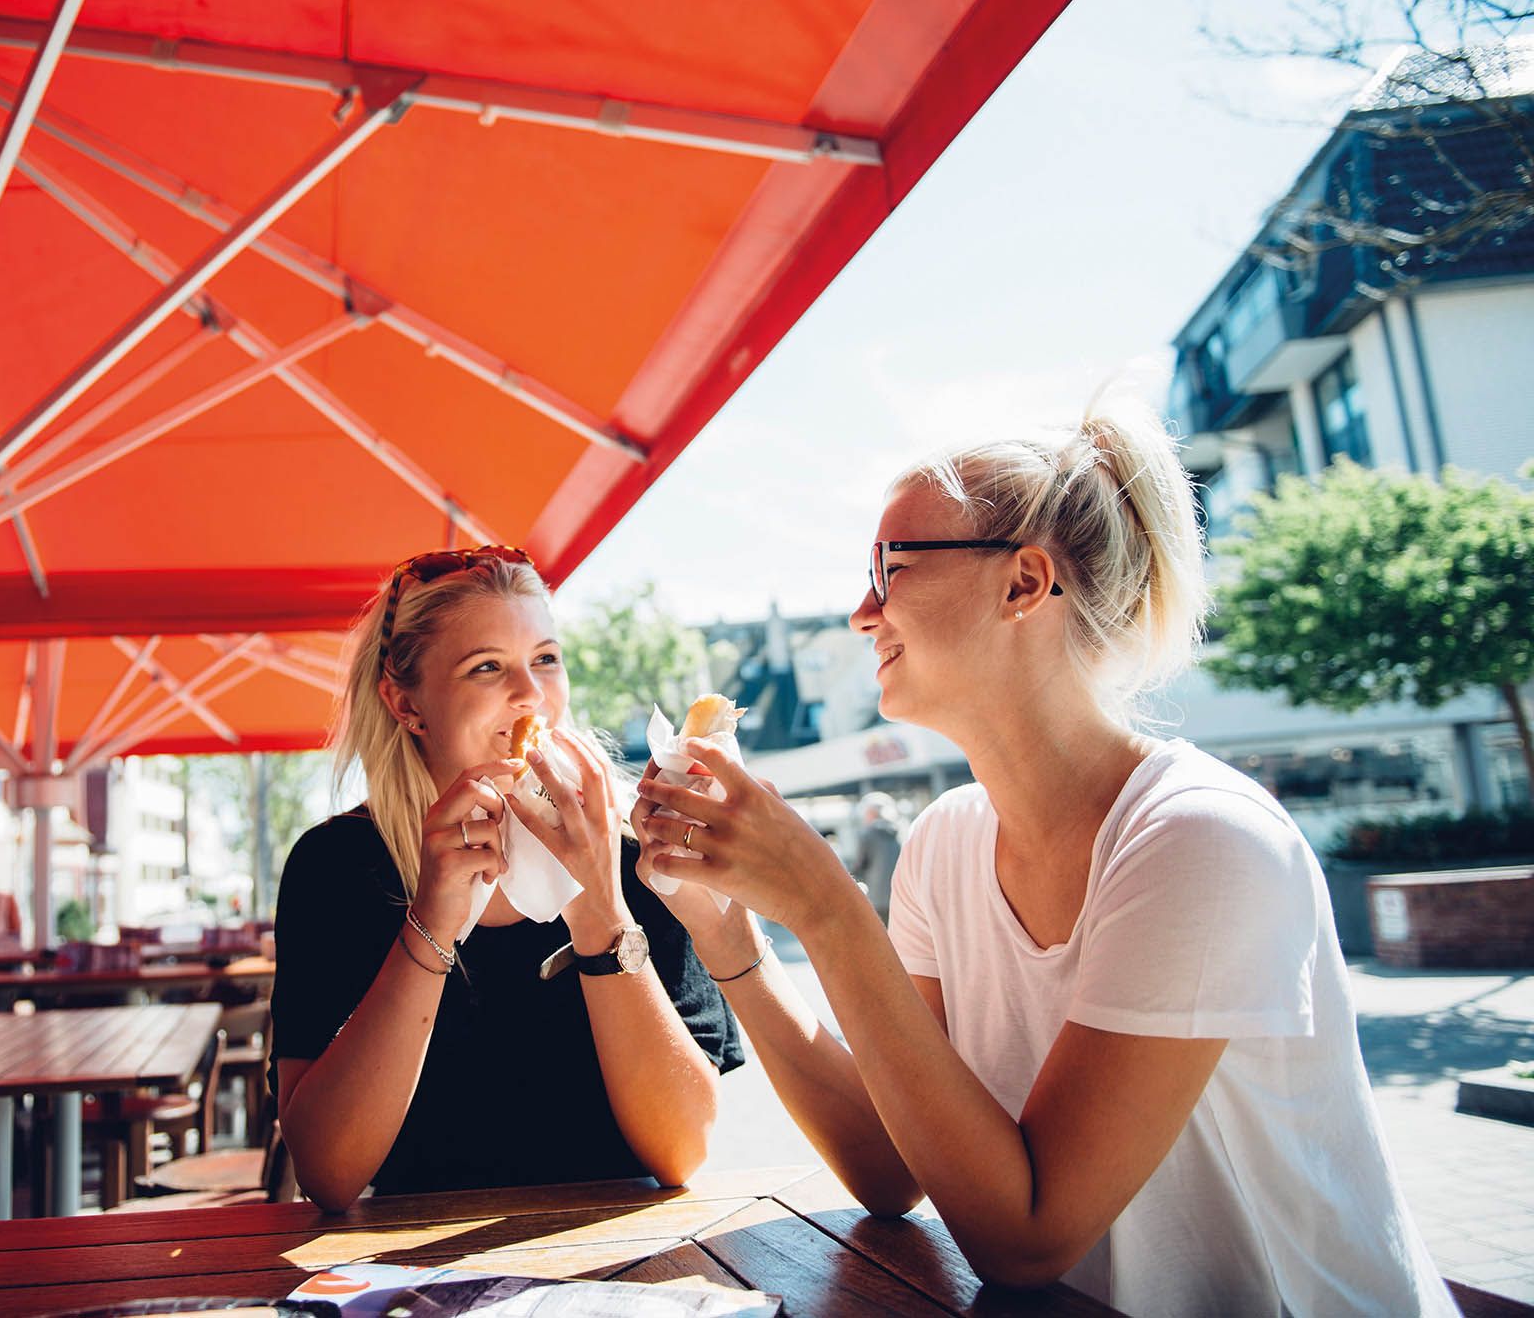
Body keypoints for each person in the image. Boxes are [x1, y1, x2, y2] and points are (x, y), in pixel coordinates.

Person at [621, 402, 1455, 1315]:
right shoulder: (944, 843)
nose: (864, 614)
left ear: (1024, 582)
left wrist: (825, 904)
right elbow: (891, 1163)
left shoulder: (1199, 840)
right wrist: (728, 930)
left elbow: (1029, 1235)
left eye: (890, 570)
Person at [269, 546, 741, 1211]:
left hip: (623, 1259)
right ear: (406, 703)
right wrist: (431, 922)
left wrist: (599, 903)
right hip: (410, 1267)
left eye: (545, 658)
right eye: (487, 666)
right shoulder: (337, 866)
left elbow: (683, 1148)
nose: (531, 694)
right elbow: (328, 1170)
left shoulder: (638, 843)